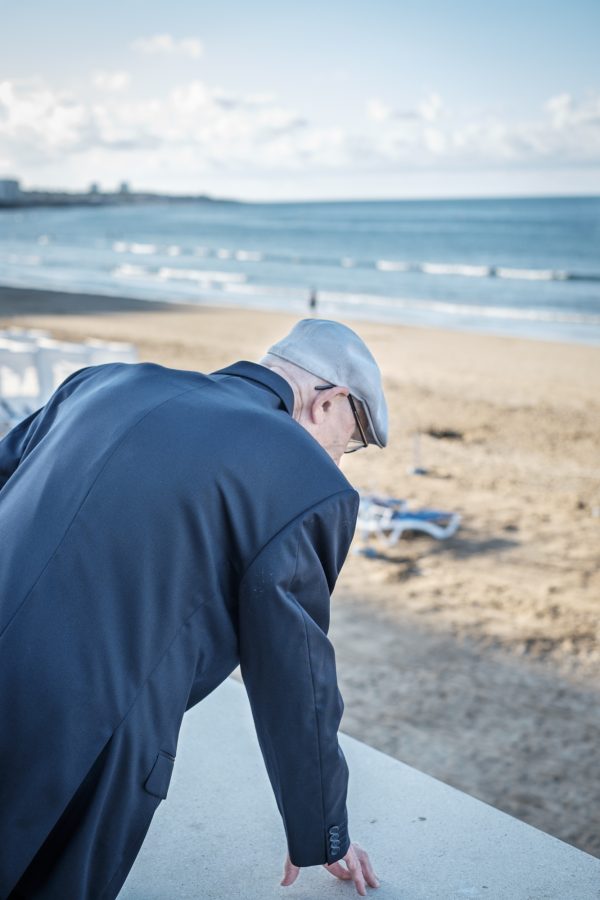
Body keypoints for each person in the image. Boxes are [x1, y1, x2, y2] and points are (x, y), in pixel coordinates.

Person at [0, 318, 387, 899]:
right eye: (352, 439)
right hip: (86, 737)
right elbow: (294, 671)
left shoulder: (102, 382)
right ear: (328, 402)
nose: (342, 457)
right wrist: (322, 831)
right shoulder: (309, 480)